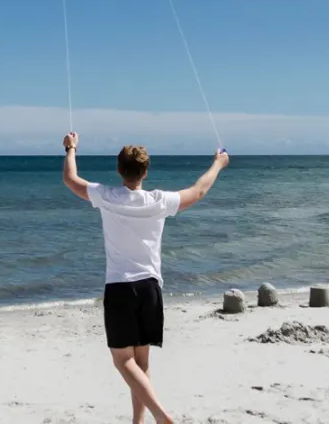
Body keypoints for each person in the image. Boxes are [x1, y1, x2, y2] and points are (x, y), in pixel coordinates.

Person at [60, 132, 229, 424]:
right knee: (141, 363)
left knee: (122, 361)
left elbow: (71, 179)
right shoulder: (158, 200)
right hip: (151, 288)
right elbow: (198, 191)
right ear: (146, 171)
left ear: (118, 170)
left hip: (120, 288)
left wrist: (70, 148)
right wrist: (218, 164)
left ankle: (162, 416)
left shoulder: (107, 196)